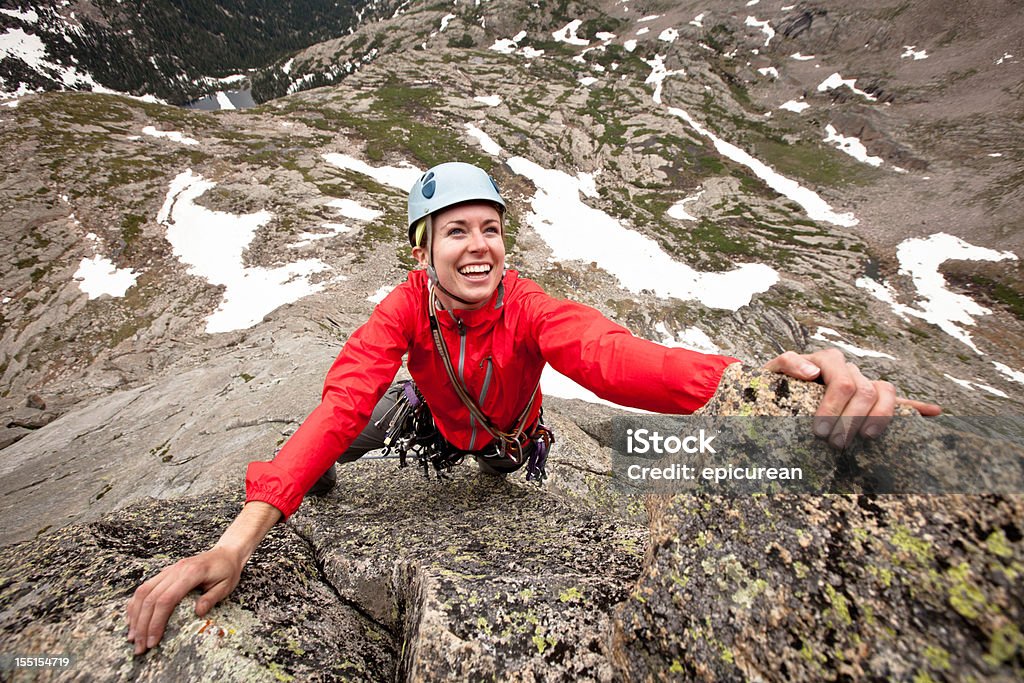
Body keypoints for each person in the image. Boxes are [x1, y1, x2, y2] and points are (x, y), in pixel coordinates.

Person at [125, 162, 940, 655]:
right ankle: (311, 483)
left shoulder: (531, 308)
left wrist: (758, 388)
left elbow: (622, 361)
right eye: (455, 232)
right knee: (348, 432)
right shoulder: (400, 310)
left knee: (489, 465)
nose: (479, 244)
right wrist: (235, 543)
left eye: (491, 229)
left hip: (510, 442)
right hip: (428, 422)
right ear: (421, 250)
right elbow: (342, 402)